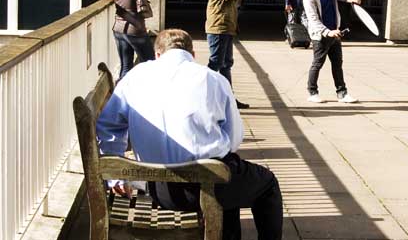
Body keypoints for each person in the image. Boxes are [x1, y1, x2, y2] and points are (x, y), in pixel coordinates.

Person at [96, 29, 283, 240]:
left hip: (156, 188)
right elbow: (234, 139)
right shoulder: (214, 79)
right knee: (265, 184)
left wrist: (115, 175)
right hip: (205, 187)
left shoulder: (134, 77)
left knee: (228, 177)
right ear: (192, 55)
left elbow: (107, 125)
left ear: (158, 54)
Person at [303, 0, 361, 104]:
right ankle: (312, 92)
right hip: (321, 35)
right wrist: (327, 32)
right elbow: (313, 19)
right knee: (318, 63)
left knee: (337, 63)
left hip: (335, 31)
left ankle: (342, 93)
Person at [206, 0, 251, 109]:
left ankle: (229, 99)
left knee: (226, 64)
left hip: (226, 26)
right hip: (218, 26)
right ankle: (205, 96)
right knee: (216, 63)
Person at [103, 0, 155, 81]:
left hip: (118, 29)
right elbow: (140, 0)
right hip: (135, 29)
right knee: (150, 64)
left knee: (126, 67)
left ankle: (122, 96)